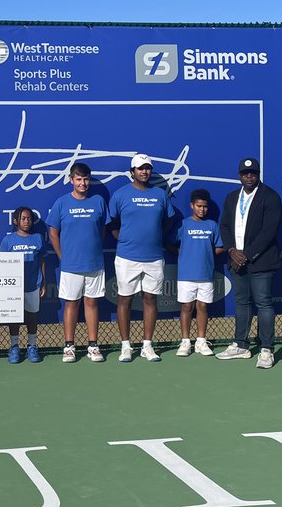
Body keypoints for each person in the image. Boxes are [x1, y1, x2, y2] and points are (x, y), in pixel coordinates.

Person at [217, 157, 282, 368]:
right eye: (245, 174)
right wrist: (232, 250)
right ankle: (241, 345)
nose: (249, 177)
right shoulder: (231, 197)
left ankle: (266, 349)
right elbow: (225, 225)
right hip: (236, 260)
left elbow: (269, 231)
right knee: (242, 303)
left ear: (258, 174)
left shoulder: (270, 196)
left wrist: (246, 254)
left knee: (263, 303)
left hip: (260, 261)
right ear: (239, 176)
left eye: (253, 173)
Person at [109, 153, 174, 363]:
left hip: (154, 257)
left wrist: (155, 238)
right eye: (140, 168)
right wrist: (124, 240)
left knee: (150, 299)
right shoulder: (120, 195)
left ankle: (147, 345)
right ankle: (126, 346)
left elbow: (168, 221)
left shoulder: (160, 195)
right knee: (125, 299)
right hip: (127, 257)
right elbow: (111, 224)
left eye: (147, 168)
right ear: (132, 172)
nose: (144, 172)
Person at [47, 162, 110, 363]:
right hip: (70, 265)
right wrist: (62, 257)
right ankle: (69, 346)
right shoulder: (61, 203)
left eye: (86, 179)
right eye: (79, 179)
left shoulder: (99, 201)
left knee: (91, 303)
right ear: (71, 180)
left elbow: (102, 230)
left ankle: (93, 345)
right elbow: (53, 233)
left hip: (94, 264)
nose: (83, 183)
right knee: (71, 304)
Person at [169, 188, 224, 357]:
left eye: (205, 207)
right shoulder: (183, 224)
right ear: (192, 205)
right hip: (186, 275)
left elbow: (220, 247)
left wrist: (206, 254)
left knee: (202, 306)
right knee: (187, 307)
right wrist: (183, 253)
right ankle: (185, 342)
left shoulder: (212, 225)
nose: (202, 209)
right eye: (199, 206)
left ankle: (201, 341)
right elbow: (170, 243)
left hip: (206, 274)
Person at [0, 206, 46, 364]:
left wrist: (43, 282)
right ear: (16, 221)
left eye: (29, 218)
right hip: (14, 287)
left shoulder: (38, 238)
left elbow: (42, 261)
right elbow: (1, 263)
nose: (27, 221)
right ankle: (14, 347)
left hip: (33, 284)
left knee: (32, 316)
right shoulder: (8, 240)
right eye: (23, 218)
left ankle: (32, 345)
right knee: (15, 317)